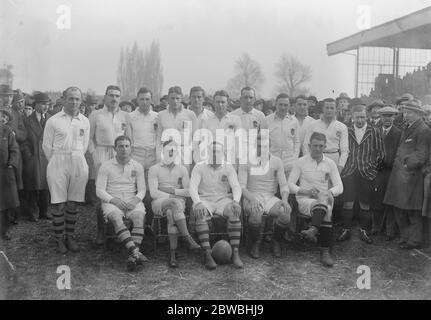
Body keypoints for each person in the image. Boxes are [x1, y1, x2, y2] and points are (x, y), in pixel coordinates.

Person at [42, 87, 90, 254]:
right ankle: (59, 238)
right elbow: (46, 146)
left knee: (72, 202)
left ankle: (70, 236)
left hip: (77, 160)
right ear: (63, 99)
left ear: (80, 100)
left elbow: (84, 146)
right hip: (58, 160)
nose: (74, 102)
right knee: (58, 202)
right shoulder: (53, 120)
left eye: (77, 99)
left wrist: (75, 158)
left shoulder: (85, 121)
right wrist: (57, 161)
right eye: (71, 98)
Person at [288, 132, 343, 267]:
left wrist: (329, 192)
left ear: (325, 147)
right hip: (306, 200)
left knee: (324, 203)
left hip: (323, 199)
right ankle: (324, 251)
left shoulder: (330, 163)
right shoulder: (300, 162)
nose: (318, 149)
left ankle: (313, 230)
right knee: (326, 211)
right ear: (309, 146)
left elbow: (340, 186)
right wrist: (306, 191)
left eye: (321, 146)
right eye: (315, 146)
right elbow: (289, 185)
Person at [384, 100, 431, 249]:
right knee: (399, 208)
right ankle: (404, 237)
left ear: (418, 114)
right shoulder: (408, 127)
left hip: (411, 175)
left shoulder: (423, 130)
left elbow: (422, 154)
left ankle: (414, 240)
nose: (406, 115)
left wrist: (406, 164)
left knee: (412, 210)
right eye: (405, 112)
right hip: (400, 175)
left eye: (409, 112)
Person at [96, 135, 148, 270]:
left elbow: (142, 190)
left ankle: (132, 256)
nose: (124, 149)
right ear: (115, 148)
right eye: (120, 146)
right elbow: (100, 190)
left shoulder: (137, 166)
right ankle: (135, 252)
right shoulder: (106, 166)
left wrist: (135, 201)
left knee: (138, 217)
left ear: (130, 148)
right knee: (115, 218)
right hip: (112, 200)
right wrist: (114, 200)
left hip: (132, 199)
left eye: (126, 146)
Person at [189, 142, 243, 270]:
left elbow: (236, 186)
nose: (214, 154)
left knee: (234, 212)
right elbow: (192, 187)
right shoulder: (199, 166)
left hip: (222, 199)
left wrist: (235, 201)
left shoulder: (228, 167)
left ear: (223, 153)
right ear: (208, 152)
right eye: (212, 151)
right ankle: (207, 254)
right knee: (200, 214)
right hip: (204, 199)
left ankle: (235, 253)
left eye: (218, 151)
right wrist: (197, 203)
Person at [337, 102, 385, 244]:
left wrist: (372, 166)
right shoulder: (347, 130)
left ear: (367, 117)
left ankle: (364, 231)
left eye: (362, 117)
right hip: (350, 171)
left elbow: (381, 152)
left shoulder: (375, 131)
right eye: (357, 117)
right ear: (352, 117)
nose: (360, 120)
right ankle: (346, 229)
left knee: (365, 204)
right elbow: (343, 150)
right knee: (348, 202)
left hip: (367, 171)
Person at [88, 85, 131, 245]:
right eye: (111, 95)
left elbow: (128, 138)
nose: (114, 99)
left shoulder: (126, 116)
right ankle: (101, 230)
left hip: (119, 154)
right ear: (105, 97)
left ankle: (120, 227)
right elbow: (89, 138)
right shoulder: (96, 115)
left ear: (120, 98)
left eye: (117, 96)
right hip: (101, 154)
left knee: (120, 188)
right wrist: (95, 155)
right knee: (102, 194)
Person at [148, 140, 201, 268]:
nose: (171, 152)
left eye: (173, 150)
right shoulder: (154, 169)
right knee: (174, 202)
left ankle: (173, 254)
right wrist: (173, 196)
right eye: (168, 150)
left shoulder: (182, 168)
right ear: (163, 151)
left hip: (177, 203)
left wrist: (171, 190)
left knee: (172, 213)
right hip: (159, 203)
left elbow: (189, 191)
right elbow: (154, 193)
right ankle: (188, 238)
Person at [238, 134, 291, 258]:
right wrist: (252, 199)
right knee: (256, 214)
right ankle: (255, 243)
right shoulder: (245, 160)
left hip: (270, 197)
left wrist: (284, 200)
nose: (261, 148)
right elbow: (241, 187)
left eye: (265, 145)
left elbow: (284, 185)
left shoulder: (277, 161)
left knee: (285, 214)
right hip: (251, 196)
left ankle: (276, 241)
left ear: (270, 146)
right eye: (259, 145)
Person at [372, 106, 401, 240]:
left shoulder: (399, 133)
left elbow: (399, 154)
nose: (387, 119)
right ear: (381, 117)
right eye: (384, 116)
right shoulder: (375, 131)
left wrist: (388, 162)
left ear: (394, 117)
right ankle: (376, 227)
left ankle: (390, 231)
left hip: (391, 171)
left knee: (389, 201)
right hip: (377, 171)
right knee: (376, 198)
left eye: (390, 116)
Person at [22, 92, 51, 221]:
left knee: (46, 186)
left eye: (47, 104)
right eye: (43, 104)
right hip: (33, 158)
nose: (46, 107)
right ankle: (33, 212)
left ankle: (45, 211)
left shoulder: (51, 119)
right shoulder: (27, 120)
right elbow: (23, 141)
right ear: (36, 105)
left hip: (47, 158)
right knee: (33, 187)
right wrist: (28, 156)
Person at [303, 98, 349, 173]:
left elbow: (344, 151)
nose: (329, 110)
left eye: (332, 108)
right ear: (323, 109)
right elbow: (305, 145)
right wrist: (309, 162)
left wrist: (340, 167)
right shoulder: (313, 125)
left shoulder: (342, 127)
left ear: (336, 110)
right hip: (315, 158)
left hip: (333, 159)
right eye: (327, 108)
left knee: (331, 184)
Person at [156, 86, 198, 169]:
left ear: (181, 99)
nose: (175, 101)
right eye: (172, 98)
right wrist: (158, 155)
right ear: (168, 99)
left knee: (184, 179)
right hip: (166, 152)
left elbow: (195, 137)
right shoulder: (161, 115)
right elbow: (158, 137)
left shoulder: (190, 114)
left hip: (184, 153)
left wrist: (193, 154)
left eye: (177, 98)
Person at [201, 90, 242, 166]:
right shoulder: (206, 121)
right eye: (217, 102)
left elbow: (238, 142)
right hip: (212, 162)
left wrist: (239, 161)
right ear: (214, 103)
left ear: (228, 103)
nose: (220, 104)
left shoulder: (235, 119)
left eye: (223, 102)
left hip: (230, 162)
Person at [266, 93, 300, 176]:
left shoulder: (294, 121)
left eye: (285, 105)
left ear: (289, 106)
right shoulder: (267, 120)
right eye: (280, 105)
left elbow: (297, 142)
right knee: (272, 189)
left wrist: (295, 159)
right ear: (276, 104)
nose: (283, 107)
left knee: (288, 188)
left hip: (289, 164)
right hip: (272, 162)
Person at [0, 121, 20, 240]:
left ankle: (5, 230)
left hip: (4, 171)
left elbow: (14, 149)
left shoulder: (6, 130)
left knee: (6, 202)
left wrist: (11, 163)